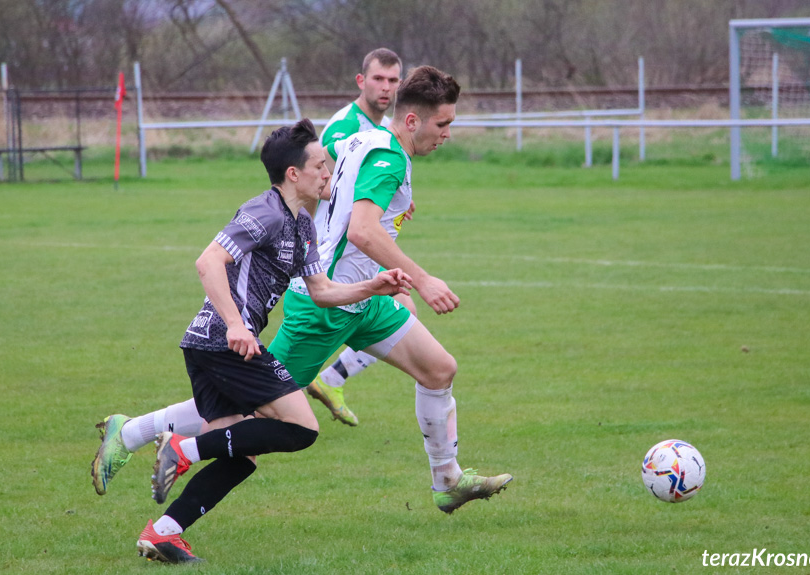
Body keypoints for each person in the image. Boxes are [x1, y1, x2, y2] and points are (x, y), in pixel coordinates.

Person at [92, 65, 512, 520]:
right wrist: (422, 280)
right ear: (413, 121)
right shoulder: (388, 158)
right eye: (443, 124)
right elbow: (363, 230)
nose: (447, 133)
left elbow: (322, 187)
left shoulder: (359, 137)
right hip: (324, 307)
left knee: (438, 369)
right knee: (255, 411)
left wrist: (342, 258)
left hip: (361, 297)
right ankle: (132, 433)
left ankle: (447, 481)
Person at [132, 118, 412, 563]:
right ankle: (181, 446)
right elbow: (209, 262)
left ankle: (164, 531)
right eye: (322, 165)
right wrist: (236, 324)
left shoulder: (303, 225)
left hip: (212, 347)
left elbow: (321, 292)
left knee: (242, 454)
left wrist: (371, 286)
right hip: (224, 344)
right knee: (302, 429)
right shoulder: (265, 211)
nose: (330, 172)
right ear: (294, 174)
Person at [307, 47, 412, 427]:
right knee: (275, 384)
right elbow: (318, 185)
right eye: (378, 79)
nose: (386, 88)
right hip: (337, 251)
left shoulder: (385, 130)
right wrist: (370, 197)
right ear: (361, 81)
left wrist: (387, 200)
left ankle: (329, 380)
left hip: (359, 250)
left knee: (406, 312)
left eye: (393, 80)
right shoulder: (344, 127)